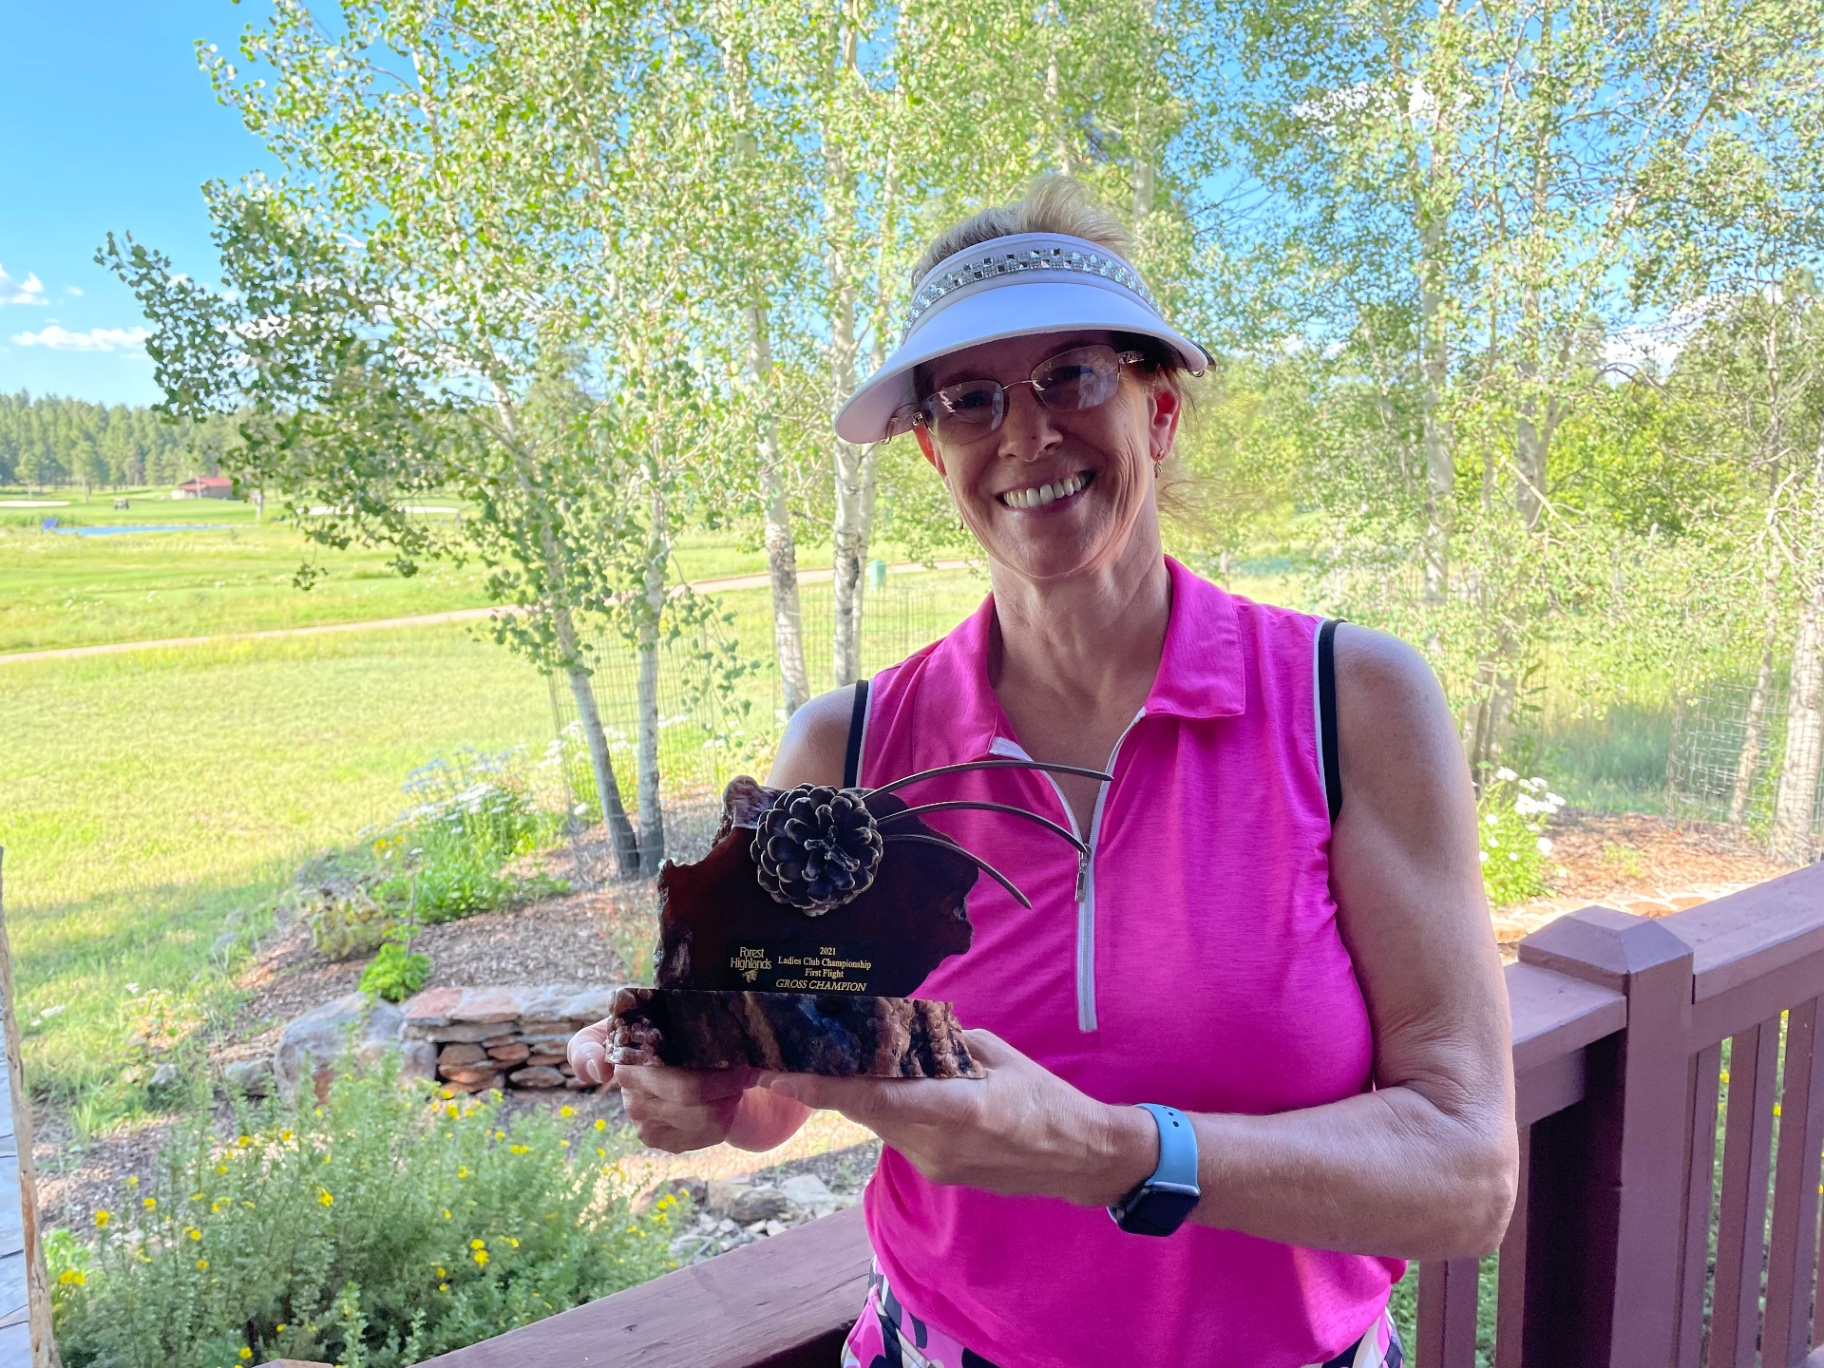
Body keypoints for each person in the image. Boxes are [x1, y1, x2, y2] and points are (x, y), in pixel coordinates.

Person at [571, 177, 1517, 1368]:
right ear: (931, 451)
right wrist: (694, 1086)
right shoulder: (848, 752)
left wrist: (1117, 1152)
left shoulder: (1351, 704)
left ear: (1158, 411)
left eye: (1073, 375)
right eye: (970, 401)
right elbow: (779, 1083)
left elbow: (1465, 1171)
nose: (1025, 435)